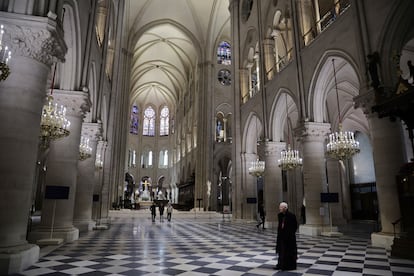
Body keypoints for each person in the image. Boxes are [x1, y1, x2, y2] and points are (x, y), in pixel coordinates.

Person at [275, 202, 298, 271]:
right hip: (281, 237)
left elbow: (295, 226)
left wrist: (290, 234)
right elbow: (280, 226)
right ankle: (280, 265)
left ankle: (288, 266)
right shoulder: (279, 215)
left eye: (281, 207)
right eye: (280, 207)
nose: (279, 208)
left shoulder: (291, 215)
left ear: (285, 208)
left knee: (288, 252)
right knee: (281, 251)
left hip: (289, 238)